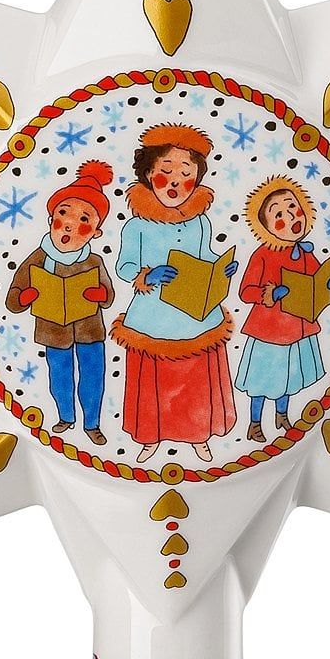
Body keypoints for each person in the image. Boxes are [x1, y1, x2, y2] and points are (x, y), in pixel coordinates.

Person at [110, 124, 237, 462]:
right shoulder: (137, 225)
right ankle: (150, 437)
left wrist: (220, 268)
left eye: (186, 173)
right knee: (155, 381)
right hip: (152, 316)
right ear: (149, 174)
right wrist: (147, 275)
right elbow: (124, 266)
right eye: (166, 171)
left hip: (195, 314)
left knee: (195, 380)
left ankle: (198, 436)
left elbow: (205, 254)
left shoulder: (200, 222)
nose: (176, 182)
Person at [5, 160, 115, 444]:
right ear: (51, 219)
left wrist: (100, 295)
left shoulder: (93, 261)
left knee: (93, 376)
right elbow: (13, 298)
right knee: (60, 375)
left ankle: (92, 423)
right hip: (53, 331)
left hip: (90, 331)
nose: (69, 225)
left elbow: (109, 294)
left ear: (95, 232)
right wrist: (25, 297)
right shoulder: (38, 258)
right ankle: (66, 416)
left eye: (83, 220)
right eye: (63, 214)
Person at [235, 175, 330, 442]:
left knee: (288, 378)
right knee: (262, 380)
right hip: (268, 333)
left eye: (293, 207)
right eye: (279, 214)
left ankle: (282, 415)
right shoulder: (262, 254)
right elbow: (245, 292)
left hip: (297, 329)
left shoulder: (304, 252)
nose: (291, 216)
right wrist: (270, 294)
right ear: (265, 226)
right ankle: (254, 423)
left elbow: (314, 281)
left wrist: (326, 284)